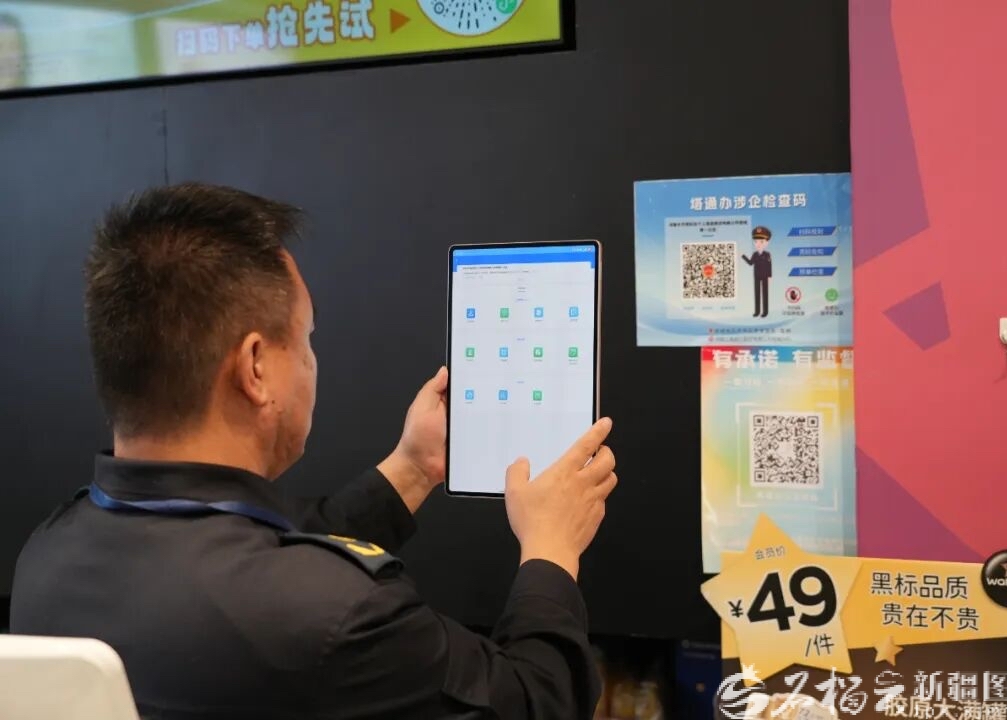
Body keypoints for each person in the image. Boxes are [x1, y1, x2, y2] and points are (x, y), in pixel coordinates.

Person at [8, 183, 618, 720]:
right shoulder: (340, 615)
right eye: (306, 340)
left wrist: (412, 469)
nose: (311, 363)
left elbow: (250, 555)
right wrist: (551, 549)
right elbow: (538, 701)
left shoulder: (47, 558)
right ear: (255, 367)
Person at [741, 225, 773, 318]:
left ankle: (765, 312)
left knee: (765, 294)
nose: (758, 244)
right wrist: (743, 257)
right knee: (757, 294)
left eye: (761, 241)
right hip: (757, 276)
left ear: (767, 242)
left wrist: (770, 276)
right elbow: (750, 263)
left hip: (765, 276)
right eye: (756, 241)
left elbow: (769, 265)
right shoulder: (755, 254)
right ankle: (757, 311)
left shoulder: (767, 254)